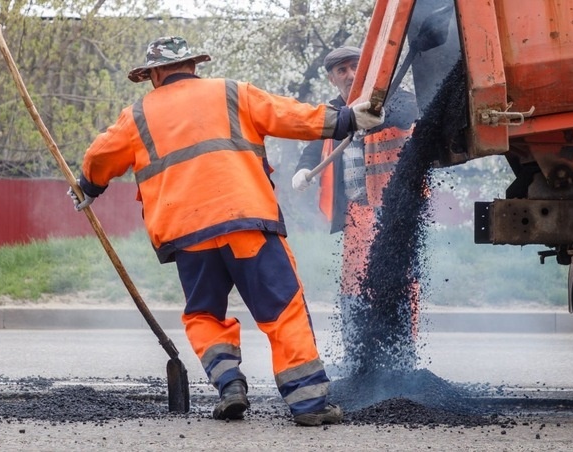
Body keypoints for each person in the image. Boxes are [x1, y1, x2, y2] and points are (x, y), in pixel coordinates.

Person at [67, 36, 384, 426]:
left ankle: (229, 384)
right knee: (282, 309)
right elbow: (290, 115)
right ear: (193, 66)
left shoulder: (137, 115)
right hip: (245, 221)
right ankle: (309, 404)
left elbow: (101, 157)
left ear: (153, 75)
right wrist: (347, 119)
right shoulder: (231, 92)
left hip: (187, 236)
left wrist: (88, 186)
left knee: (204, 313)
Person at [291, 46, 420, 368]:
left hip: (394, 212)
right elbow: (313, 141)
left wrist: (371, 114)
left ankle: (402, 357)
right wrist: (303, 170)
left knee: (401, 282)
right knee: (354, 284)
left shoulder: (395, 98)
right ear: (332, 78)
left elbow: (408, 114)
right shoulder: (333, 113)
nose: (349, 75)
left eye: (354, 68)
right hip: (357, 212)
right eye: (341, 71)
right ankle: (358, 358)